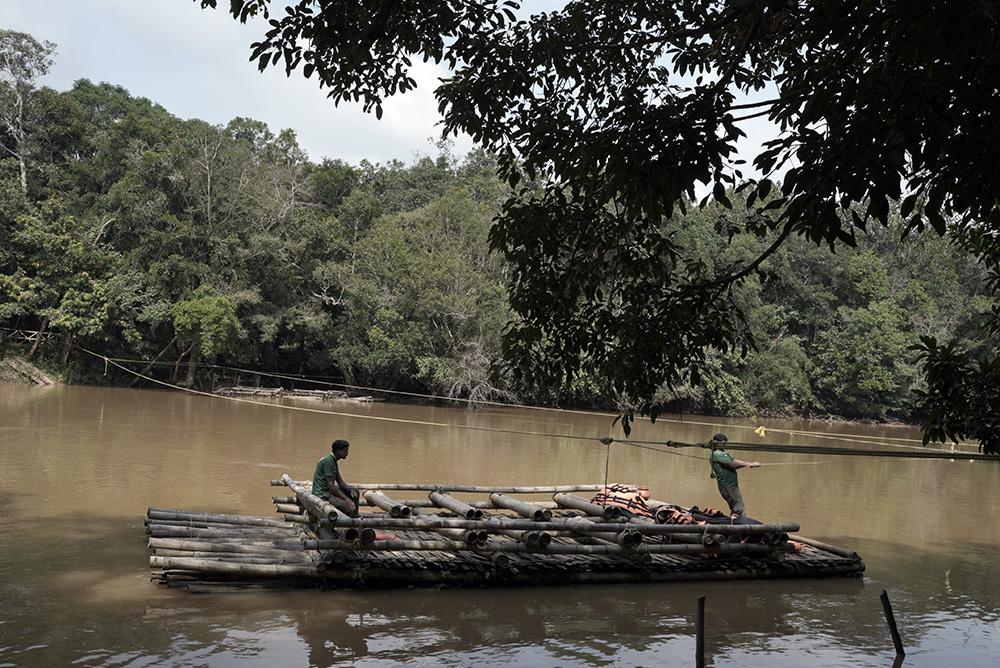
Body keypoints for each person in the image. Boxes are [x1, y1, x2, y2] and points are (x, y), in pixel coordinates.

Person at [708, 433, 760, 518]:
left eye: (725, 443)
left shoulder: (722, 451)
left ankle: (734, 524)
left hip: (731, 484)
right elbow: (732, 464)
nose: (724, 445)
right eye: (723, 444)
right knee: (739, 509)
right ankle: (739, 525)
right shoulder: (716, 453)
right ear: (716, 442)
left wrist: (750, 464)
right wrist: (749, 464)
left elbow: (733, 460)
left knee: (737, 508)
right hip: (727, 485)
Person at [312, 439, 360, 518]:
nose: (347, 453)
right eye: (345, 451)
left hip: (328, 490)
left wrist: (349, 490)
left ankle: (354, 517)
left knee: (355, 491)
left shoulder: (333, 461)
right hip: (323, 493)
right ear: (338, 451)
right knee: (349, 508)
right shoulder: (329, 461)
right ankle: (349, 521)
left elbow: (340, 482)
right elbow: (330, 485)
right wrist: (346, 499)